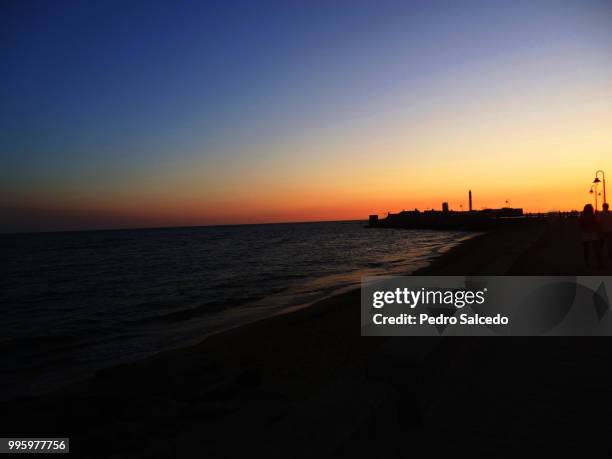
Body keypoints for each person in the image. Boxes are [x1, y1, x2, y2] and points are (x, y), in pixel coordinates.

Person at [579, 204, 601, 268]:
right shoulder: (593, 215)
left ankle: (587, 263)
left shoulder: (582, 216)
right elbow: (597, 223)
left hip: (585, 233)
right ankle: (598, 262)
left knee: (586, 249)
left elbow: (580, 224)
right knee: (596, 248)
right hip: (593, 232)